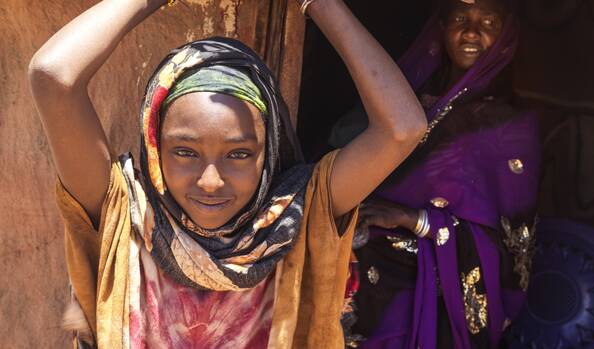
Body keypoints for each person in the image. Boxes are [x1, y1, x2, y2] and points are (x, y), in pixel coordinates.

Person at [28, 0, 427, 348]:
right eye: (184, 152)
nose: (210, 182)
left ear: (268, 152)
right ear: (155, 148)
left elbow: (402, 129)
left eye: (239, 153)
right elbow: (52, 76)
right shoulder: (124, 212)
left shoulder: (301, 215)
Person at [329, 0, 541, 348]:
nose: (471, 31)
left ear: (506, 35)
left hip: (431, 272)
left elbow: (509, 246)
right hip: (367, 244)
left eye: (488, 21)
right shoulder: (409, 101)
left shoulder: (512, 127)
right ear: (441, 28)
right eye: (460, 18)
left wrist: (413, 218)